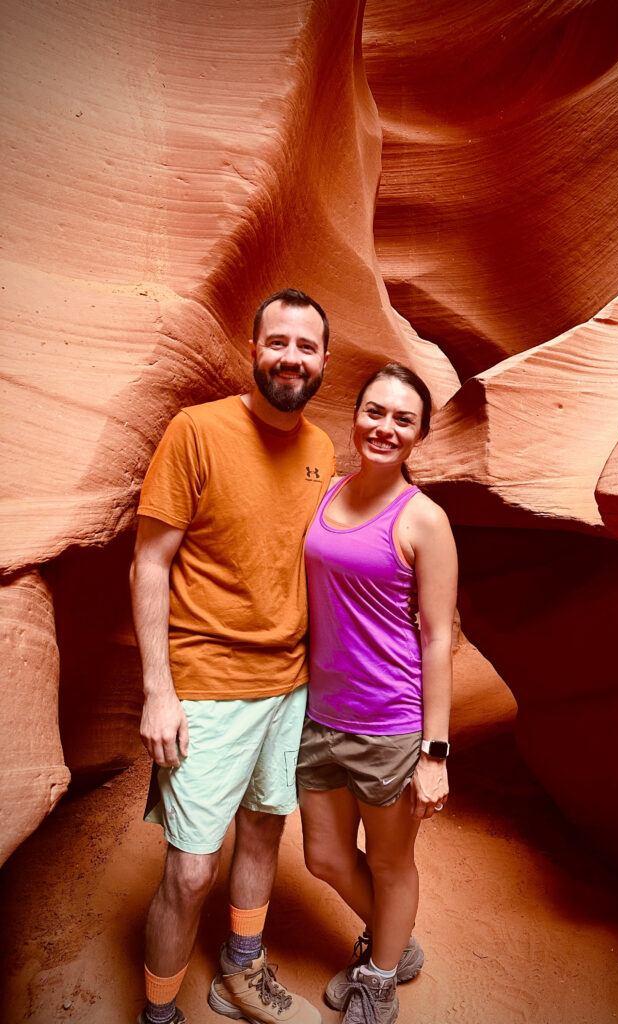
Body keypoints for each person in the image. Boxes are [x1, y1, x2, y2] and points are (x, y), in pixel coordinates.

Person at [130, 288, 335, 1024]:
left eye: (306, 347)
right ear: (254, 350)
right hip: (208, 687)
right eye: (278, 342)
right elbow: (149, 564)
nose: (291, 357)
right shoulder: (196, 431)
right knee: (189, 871)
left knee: (263, 828)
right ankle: (158, 1014)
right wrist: (159, 689)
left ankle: (239, 974)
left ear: (323, 361)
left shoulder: (320, 448)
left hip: (289, 686)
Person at [297, 363, 458, 1024]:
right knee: (324, 856)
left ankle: (381, 974)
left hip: (389, 723)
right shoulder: (323, 490)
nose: (384, 427)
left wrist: (435, 753)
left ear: (418, 436)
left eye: (402, 419)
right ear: (355, 415)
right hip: (318, 714)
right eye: (374, 411)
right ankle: (395, 939)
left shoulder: (425, 521)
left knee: (391, 865)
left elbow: (438, 639)